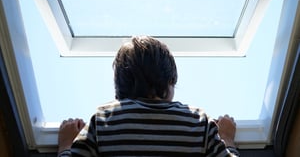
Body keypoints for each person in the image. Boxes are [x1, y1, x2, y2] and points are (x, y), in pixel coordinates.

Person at [57, 36, 240, 156]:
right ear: (170, 80)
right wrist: (228, 140)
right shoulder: (198, 122)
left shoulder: (103, 119)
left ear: (121, 85)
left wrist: (66, 145)